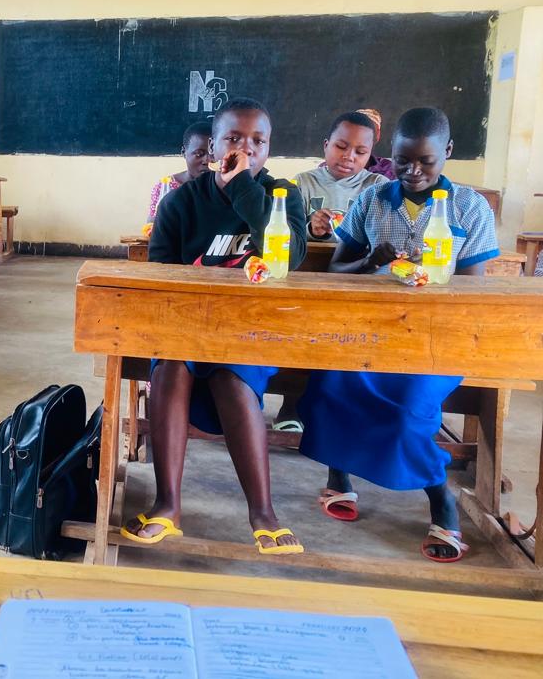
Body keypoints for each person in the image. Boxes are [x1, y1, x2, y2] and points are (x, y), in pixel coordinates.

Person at [298, 107, 499, 563]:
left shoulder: (469, 207)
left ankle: (440, 498)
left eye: (425, 161)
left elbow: (473, 288)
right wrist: (370, 262)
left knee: (409, 407)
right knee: (332, 384)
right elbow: (336, 272)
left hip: (437, 338)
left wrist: (434, 271)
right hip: (370, 334)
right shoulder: (372, 201)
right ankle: (340, 476)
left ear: (447, 153)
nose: (412, 171)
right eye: (403, 160)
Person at [122, 97, 306, 556]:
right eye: (233, 139)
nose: (245, 149)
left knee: (230, 372)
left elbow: (291, 256)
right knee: (170, 368)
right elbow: (161, 278)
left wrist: (244, 187)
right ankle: (167, 506)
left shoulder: (282, 195)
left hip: (251, 329)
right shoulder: (180, 203)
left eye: (257, 142)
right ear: (211, 148)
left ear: (269, 150)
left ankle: (262, 512)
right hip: (185, 326)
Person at [294, 111, 388, 242]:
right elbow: (286, 236)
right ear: (326, 146)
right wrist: (312, 230)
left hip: (359, 262)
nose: (349, 157)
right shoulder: (303, 183)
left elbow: (386, 236)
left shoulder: (378, 186)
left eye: (360, 152)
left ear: (369, 155)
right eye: (341, 146)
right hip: (310, 260)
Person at [146, 120, 213, 222]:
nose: (207, 161)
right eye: (199, 154)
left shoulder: (226, 187)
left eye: (212, 154)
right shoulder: (165, 187)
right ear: (184, 152)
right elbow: (152, 226)